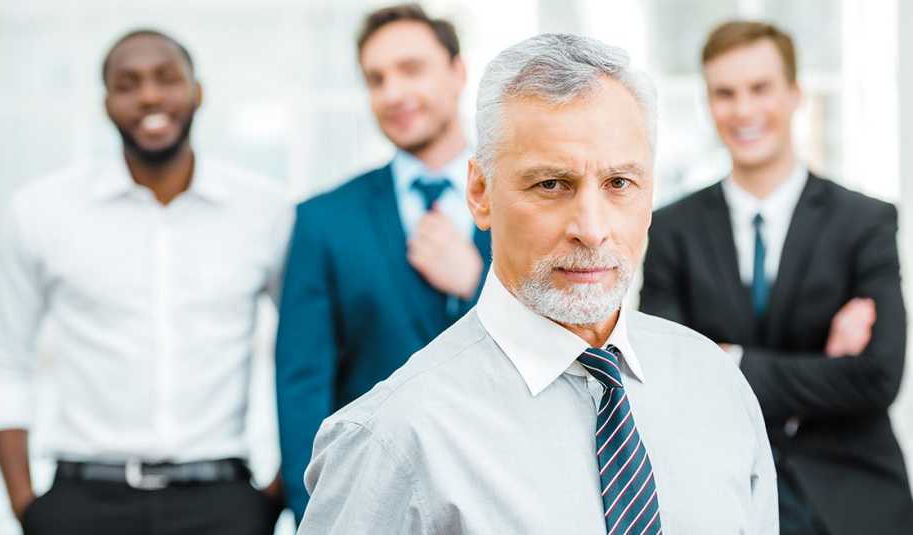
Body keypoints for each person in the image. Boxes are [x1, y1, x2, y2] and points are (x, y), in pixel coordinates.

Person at [296, 33, 778, 534]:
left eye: (619, 183)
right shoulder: (394, 439)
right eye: (551, 184)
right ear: (480, 193)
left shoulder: (716, 385)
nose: (592, 228)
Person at [0, 29, 288, 535]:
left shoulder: (265, 211)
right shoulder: (41, 211)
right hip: (81, 503)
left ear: (197, 91)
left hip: (222, 502)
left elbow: (309, 354)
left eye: (167, 78)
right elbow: (1, 360)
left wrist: (274, 495)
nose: (148, 96)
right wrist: (25, 506)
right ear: (106, 103)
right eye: (127, 84)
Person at [640, 20, 913, 535]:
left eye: (760, 89)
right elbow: (667, 373)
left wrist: (730, 360)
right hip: (725, 494)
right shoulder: (672, 229)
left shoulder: (865, 221)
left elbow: (879, 376)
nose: (743, 110)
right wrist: (824, 372)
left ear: (794, 95)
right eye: (725, 93)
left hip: (855, 497)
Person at [275, 3, 490, 521]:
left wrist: (478, 285)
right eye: (376, 79)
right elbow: (303, 388)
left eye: (411, 69)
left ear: (458, 72)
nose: (392, 93)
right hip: (372, 508)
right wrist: (317, 517)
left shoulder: (528, 200)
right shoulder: (323, 220)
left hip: (503, 496)